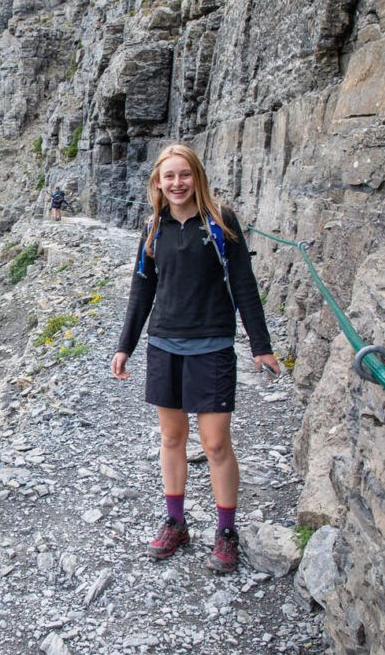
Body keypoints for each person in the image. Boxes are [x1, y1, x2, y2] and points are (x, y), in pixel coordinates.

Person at [110, 143, 280, 573]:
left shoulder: (220, 222)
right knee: (171, 439)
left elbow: (244, 284)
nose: (177, 183)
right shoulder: (153, 228)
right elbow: (141, 291)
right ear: (158, 182)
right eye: (169, 176)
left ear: (197, 176)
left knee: (216, 443)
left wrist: (261, 346)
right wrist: (124, 346)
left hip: (213, 345)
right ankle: (176, 523)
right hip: (164, 344)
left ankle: (225, 532)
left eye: (184, 175)